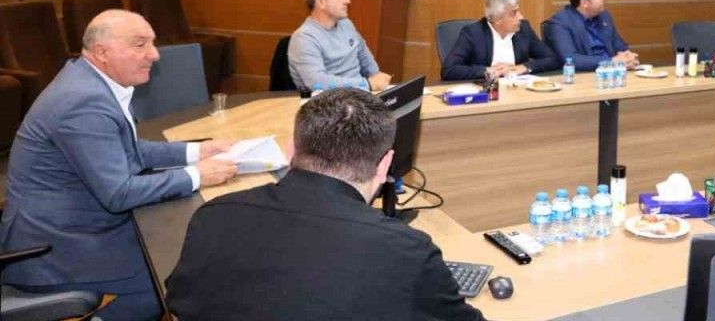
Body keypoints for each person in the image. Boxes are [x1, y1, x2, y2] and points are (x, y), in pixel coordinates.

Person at [166, 88, 487, 321]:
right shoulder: (406, 251)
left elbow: (179, 300)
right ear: (385, 165)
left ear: (291, 150)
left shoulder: (214, 215)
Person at [0, 10, 237, 321]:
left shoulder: (90, 81)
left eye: (152, 43)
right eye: (140, 45)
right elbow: (119, 193)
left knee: (191, 254)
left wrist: (196, 151)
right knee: (183, 279)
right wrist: (197, 175)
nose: (154, 54)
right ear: (102, 52)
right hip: (57, 249)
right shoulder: (83, 101)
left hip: (77, 226)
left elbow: (129, 150)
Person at [288, 0, 391, 93]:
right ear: (321, 2)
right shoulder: (304, 38)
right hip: (329, 100)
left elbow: (364, 55)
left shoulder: (346, 24)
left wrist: (377, 76)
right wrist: (367, 84)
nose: (347, 0)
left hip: (359, 95)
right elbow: (316, 82)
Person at [441, 0, 559, 81]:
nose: (521, 17)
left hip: (518, 90)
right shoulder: (473, 33)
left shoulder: (523, 29)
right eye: (513, 13)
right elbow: (449, 70)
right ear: (497, 19)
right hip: (487, 93)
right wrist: (488, 70)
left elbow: (552, 59)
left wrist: (524, 67)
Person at [544, 0, 638, 72]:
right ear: (585, 3)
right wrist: (611, 62)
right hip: (584, 75)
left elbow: (620, 47)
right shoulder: (560, 22)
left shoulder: (604, 16)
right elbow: (571, 59)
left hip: (612, 73)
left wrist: (628, 57)